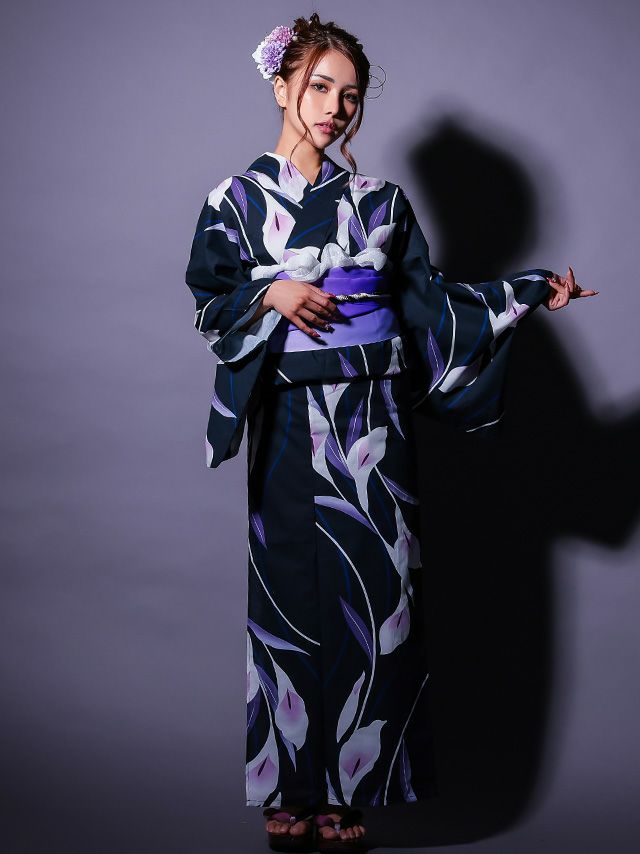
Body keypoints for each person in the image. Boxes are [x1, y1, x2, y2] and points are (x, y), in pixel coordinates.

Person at [184, 13, 598, 853]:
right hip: (287, 419)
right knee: (288, 602)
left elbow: (428, 305)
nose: (335, 108)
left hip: (372, 423)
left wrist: (526, 291)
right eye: (319, 87)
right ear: (282, 87)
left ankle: (353, 790)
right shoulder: (233, 201)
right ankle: (291, 788)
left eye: (351, 96)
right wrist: (271, 294)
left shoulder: (381, 204)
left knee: (375, 601)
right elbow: (208, 300)